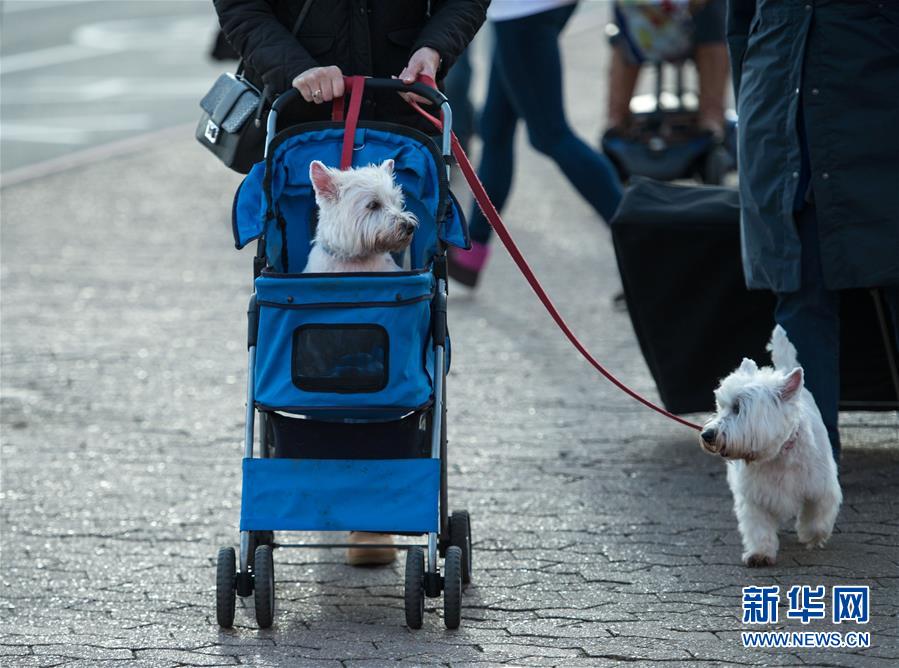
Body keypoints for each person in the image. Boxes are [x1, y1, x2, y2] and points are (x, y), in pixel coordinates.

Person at [214, 0, 489, 566]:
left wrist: (435, 49)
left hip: (404, 105)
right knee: (306, 322)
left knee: (395, 328)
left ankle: (377, 505)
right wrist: (291, 66)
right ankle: (313, 483)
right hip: (299, 113)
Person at [727, 0, 899, 465]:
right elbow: (741, 24)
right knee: (801, 298)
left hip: (877, 125)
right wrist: (754, 104)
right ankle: (812, 467)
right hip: (784, 128)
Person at [446, 0, 624, 288]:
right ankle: (471, 251)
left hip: (524, 9)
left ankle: (643, 240)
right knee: (496, 126)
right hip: (521, 9)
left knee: (550, 134)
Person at [214, 0, 489, 131]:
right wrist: (296, 69)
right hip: (301, 119)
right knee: (297, 237)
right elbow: (241, 8)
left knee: (401, 234)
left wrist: (433, 49)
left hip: (402, 112)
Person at [606, 0, 729, 138]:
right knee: (623, 26)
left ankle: (711, 115)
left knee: (714, 15)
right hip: (643, 22)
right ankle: (617, 118)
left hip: (694, 20)